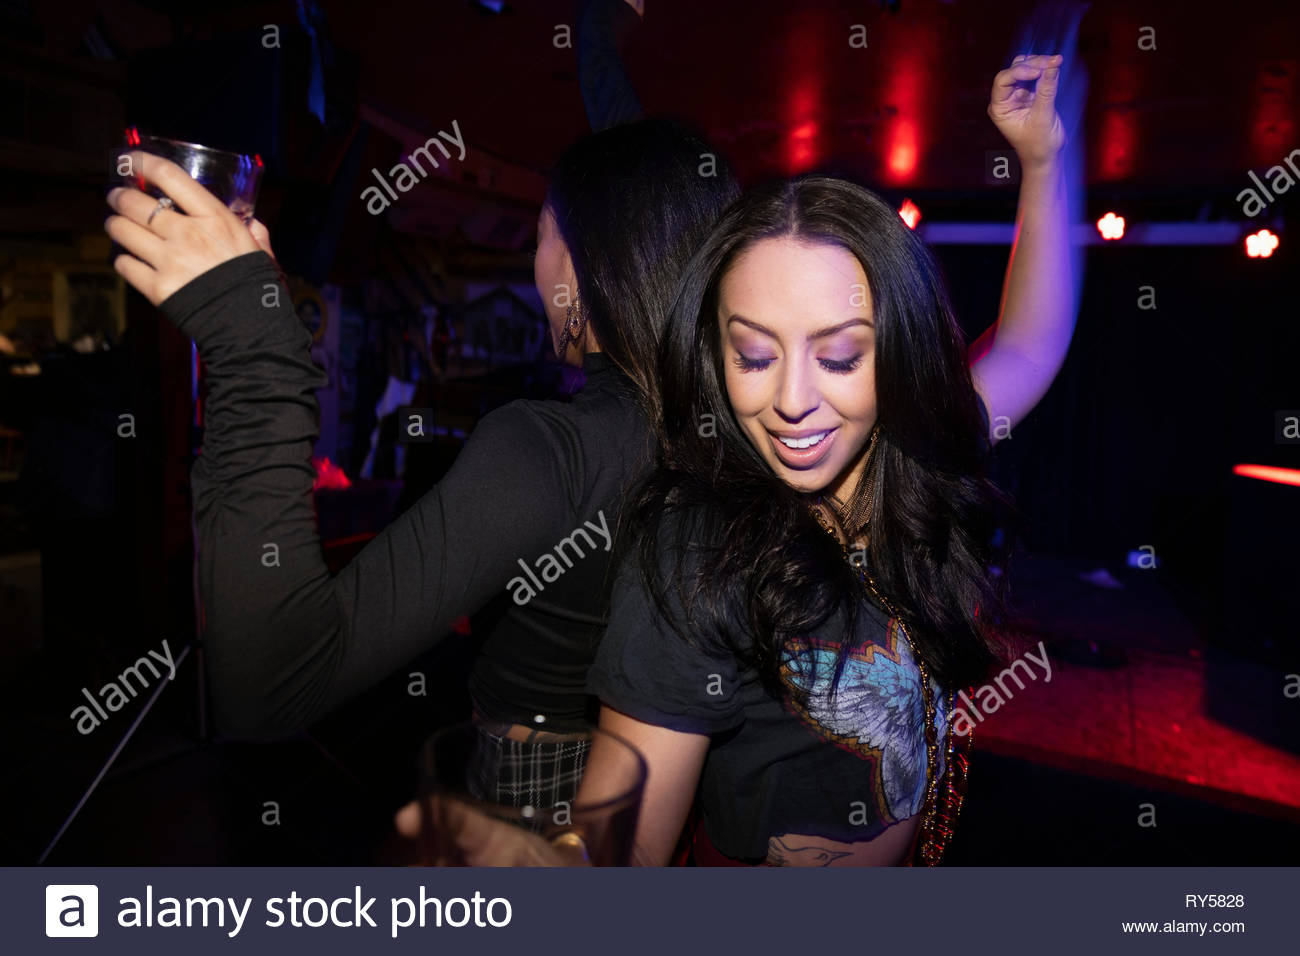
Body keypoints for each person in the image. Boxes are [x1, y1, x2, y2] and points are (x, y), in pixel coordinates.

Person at [102, 114, 740, 807]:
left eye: (539, 239)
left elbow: (269, 688)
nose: (536, 267)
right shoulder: (735, 432)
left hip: (526, 808)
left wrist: (255, 350)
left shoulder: (546, 449)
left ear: (587, 273)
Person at [581, 54, 1076, 866]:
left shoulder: (910, 454)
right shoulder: (695, 549)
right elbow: (614, 861)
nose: (791, 400)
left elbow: (1029, 342)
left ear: (901, 355)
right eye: (753, 354)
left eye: (841, 357)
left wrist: (1043, 159)